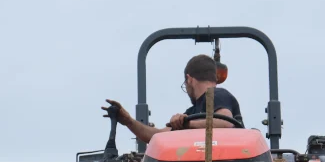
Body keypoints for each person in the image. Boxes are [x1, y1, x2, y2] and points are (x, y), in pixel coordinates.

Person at [102, 54, 243, 145]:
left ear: (189, 79)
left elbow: (226, 123)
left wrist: (187, 125)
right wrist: (129, 121)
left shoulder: (217, 94)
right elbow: (157, 136)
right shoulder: (192, 112)